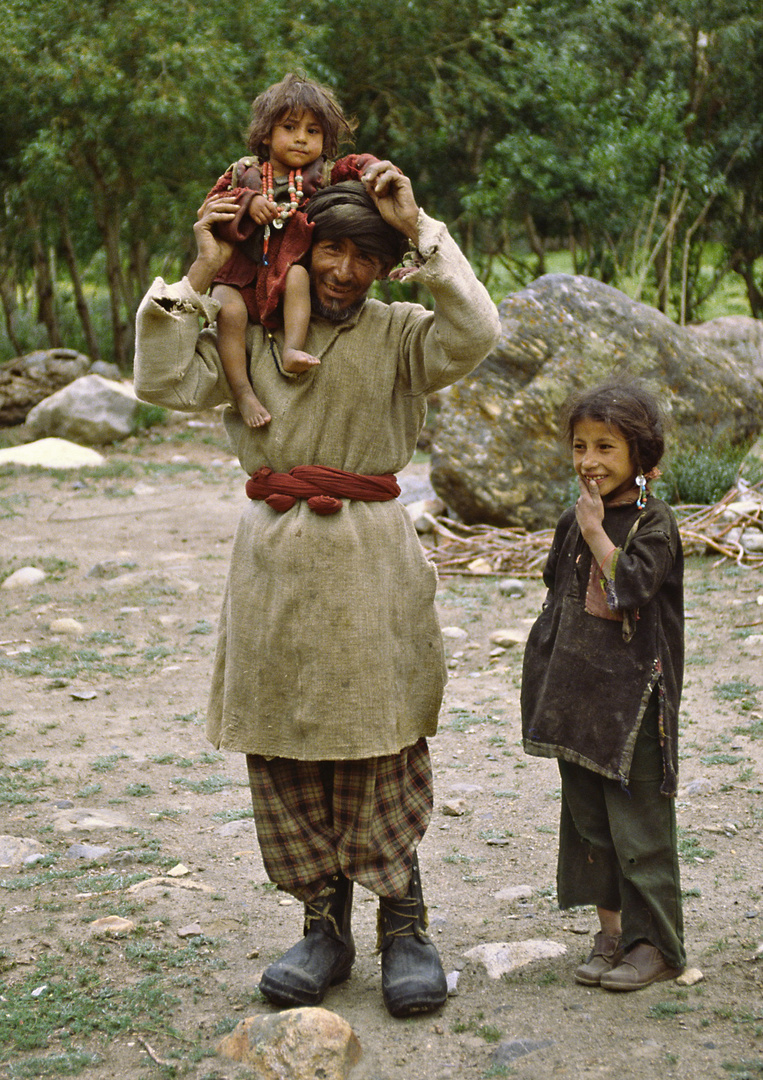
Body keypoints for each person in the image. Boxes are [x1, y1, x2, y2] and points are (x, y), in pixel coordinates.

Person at [134, 161, 502, 1016]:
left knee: (381, 739)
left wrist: (417, 229)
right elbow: (158, 382)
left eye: (362, 255)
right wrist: (201, 268)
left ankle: (403, 926)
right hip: (272, 569)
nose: (342, 269)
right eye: (329, 249)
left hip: (370, 566)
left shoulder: (404, 334)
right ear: (301, 248)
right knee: (287, 746)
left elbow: (477, 330)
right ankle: (322, 927)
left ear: (380, 265)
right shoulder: (249, 332)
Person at [520, 379, 686, 991]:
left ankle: (657, 945)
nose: (589, 461)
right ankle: (611, 933)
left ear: (641, 457)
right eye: (580, 446)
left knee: (638, 826)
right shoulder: (575, 518)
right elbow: (556, 587)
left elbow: (631, 589)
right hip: (577, 697)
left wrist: (596, 533)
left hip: (636, 702)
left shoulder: (656, 524)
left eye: (606, 448)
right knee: (590, 824)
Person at [206, 72, 380, 428]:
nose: (301, 138)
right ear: (266, 135)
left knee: (300, 276)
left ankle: (291, 350)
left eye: (313, 132)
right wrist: (247, 202)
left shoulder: (326, 175)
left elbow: (357, 165)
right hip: (241, 271)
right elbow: (213, 205)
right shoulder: (245, 172)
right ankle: (241, 391)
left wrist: (375, 168)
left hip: (287, 269)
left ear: (326, 140)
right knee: (228, 310)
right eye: (290, 127)